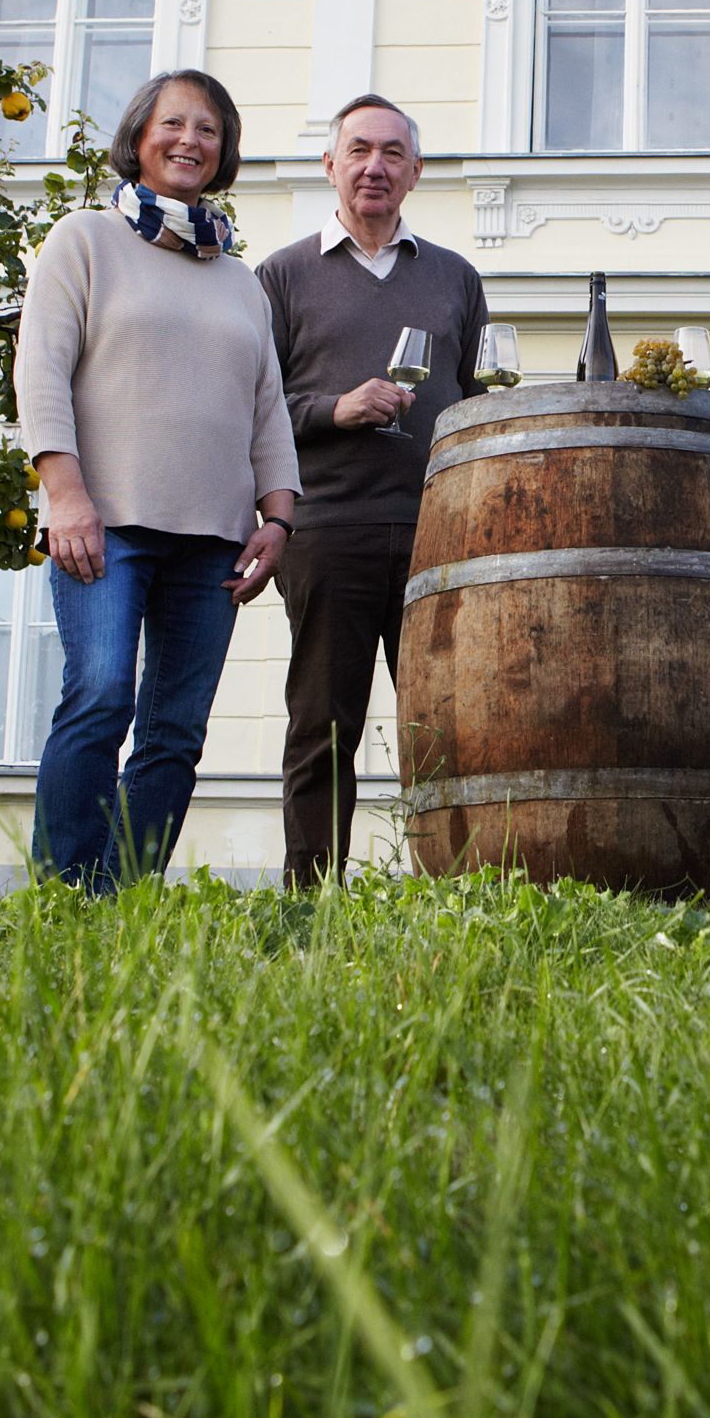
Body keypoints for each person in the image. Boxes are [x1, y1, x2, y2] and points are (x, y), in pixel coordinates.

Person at [14, 70, 300, 893]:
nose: (189, 141)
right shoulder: (84, 239)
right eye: (172, 123)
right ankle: (66, 897)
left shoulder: (239, 278)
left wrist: (276, 519)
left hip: (212, 538)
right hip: (106, 523)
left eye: (207, 128)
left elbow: (268, 408)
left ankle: (120, 897)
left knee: (174, 730)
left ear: (225, 151)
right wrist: (64, 494)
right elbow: (41, 373)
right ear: (139, 137)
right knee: (101, 697)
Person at [255, 94, 489, 885]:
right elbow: (249, 411)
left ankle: (462, 895)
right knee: (324, 727)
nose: (374, 167)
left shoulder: (455, 277)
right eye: (358, 150)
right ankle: (309, 900)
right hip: (327, 531)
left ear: (415, 172)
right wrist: (335, 409)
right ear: (330, 166)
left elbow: (476, 401)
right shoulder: (281, 276)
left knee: (450, 732)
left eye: (392, 153)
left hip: (438, 537)